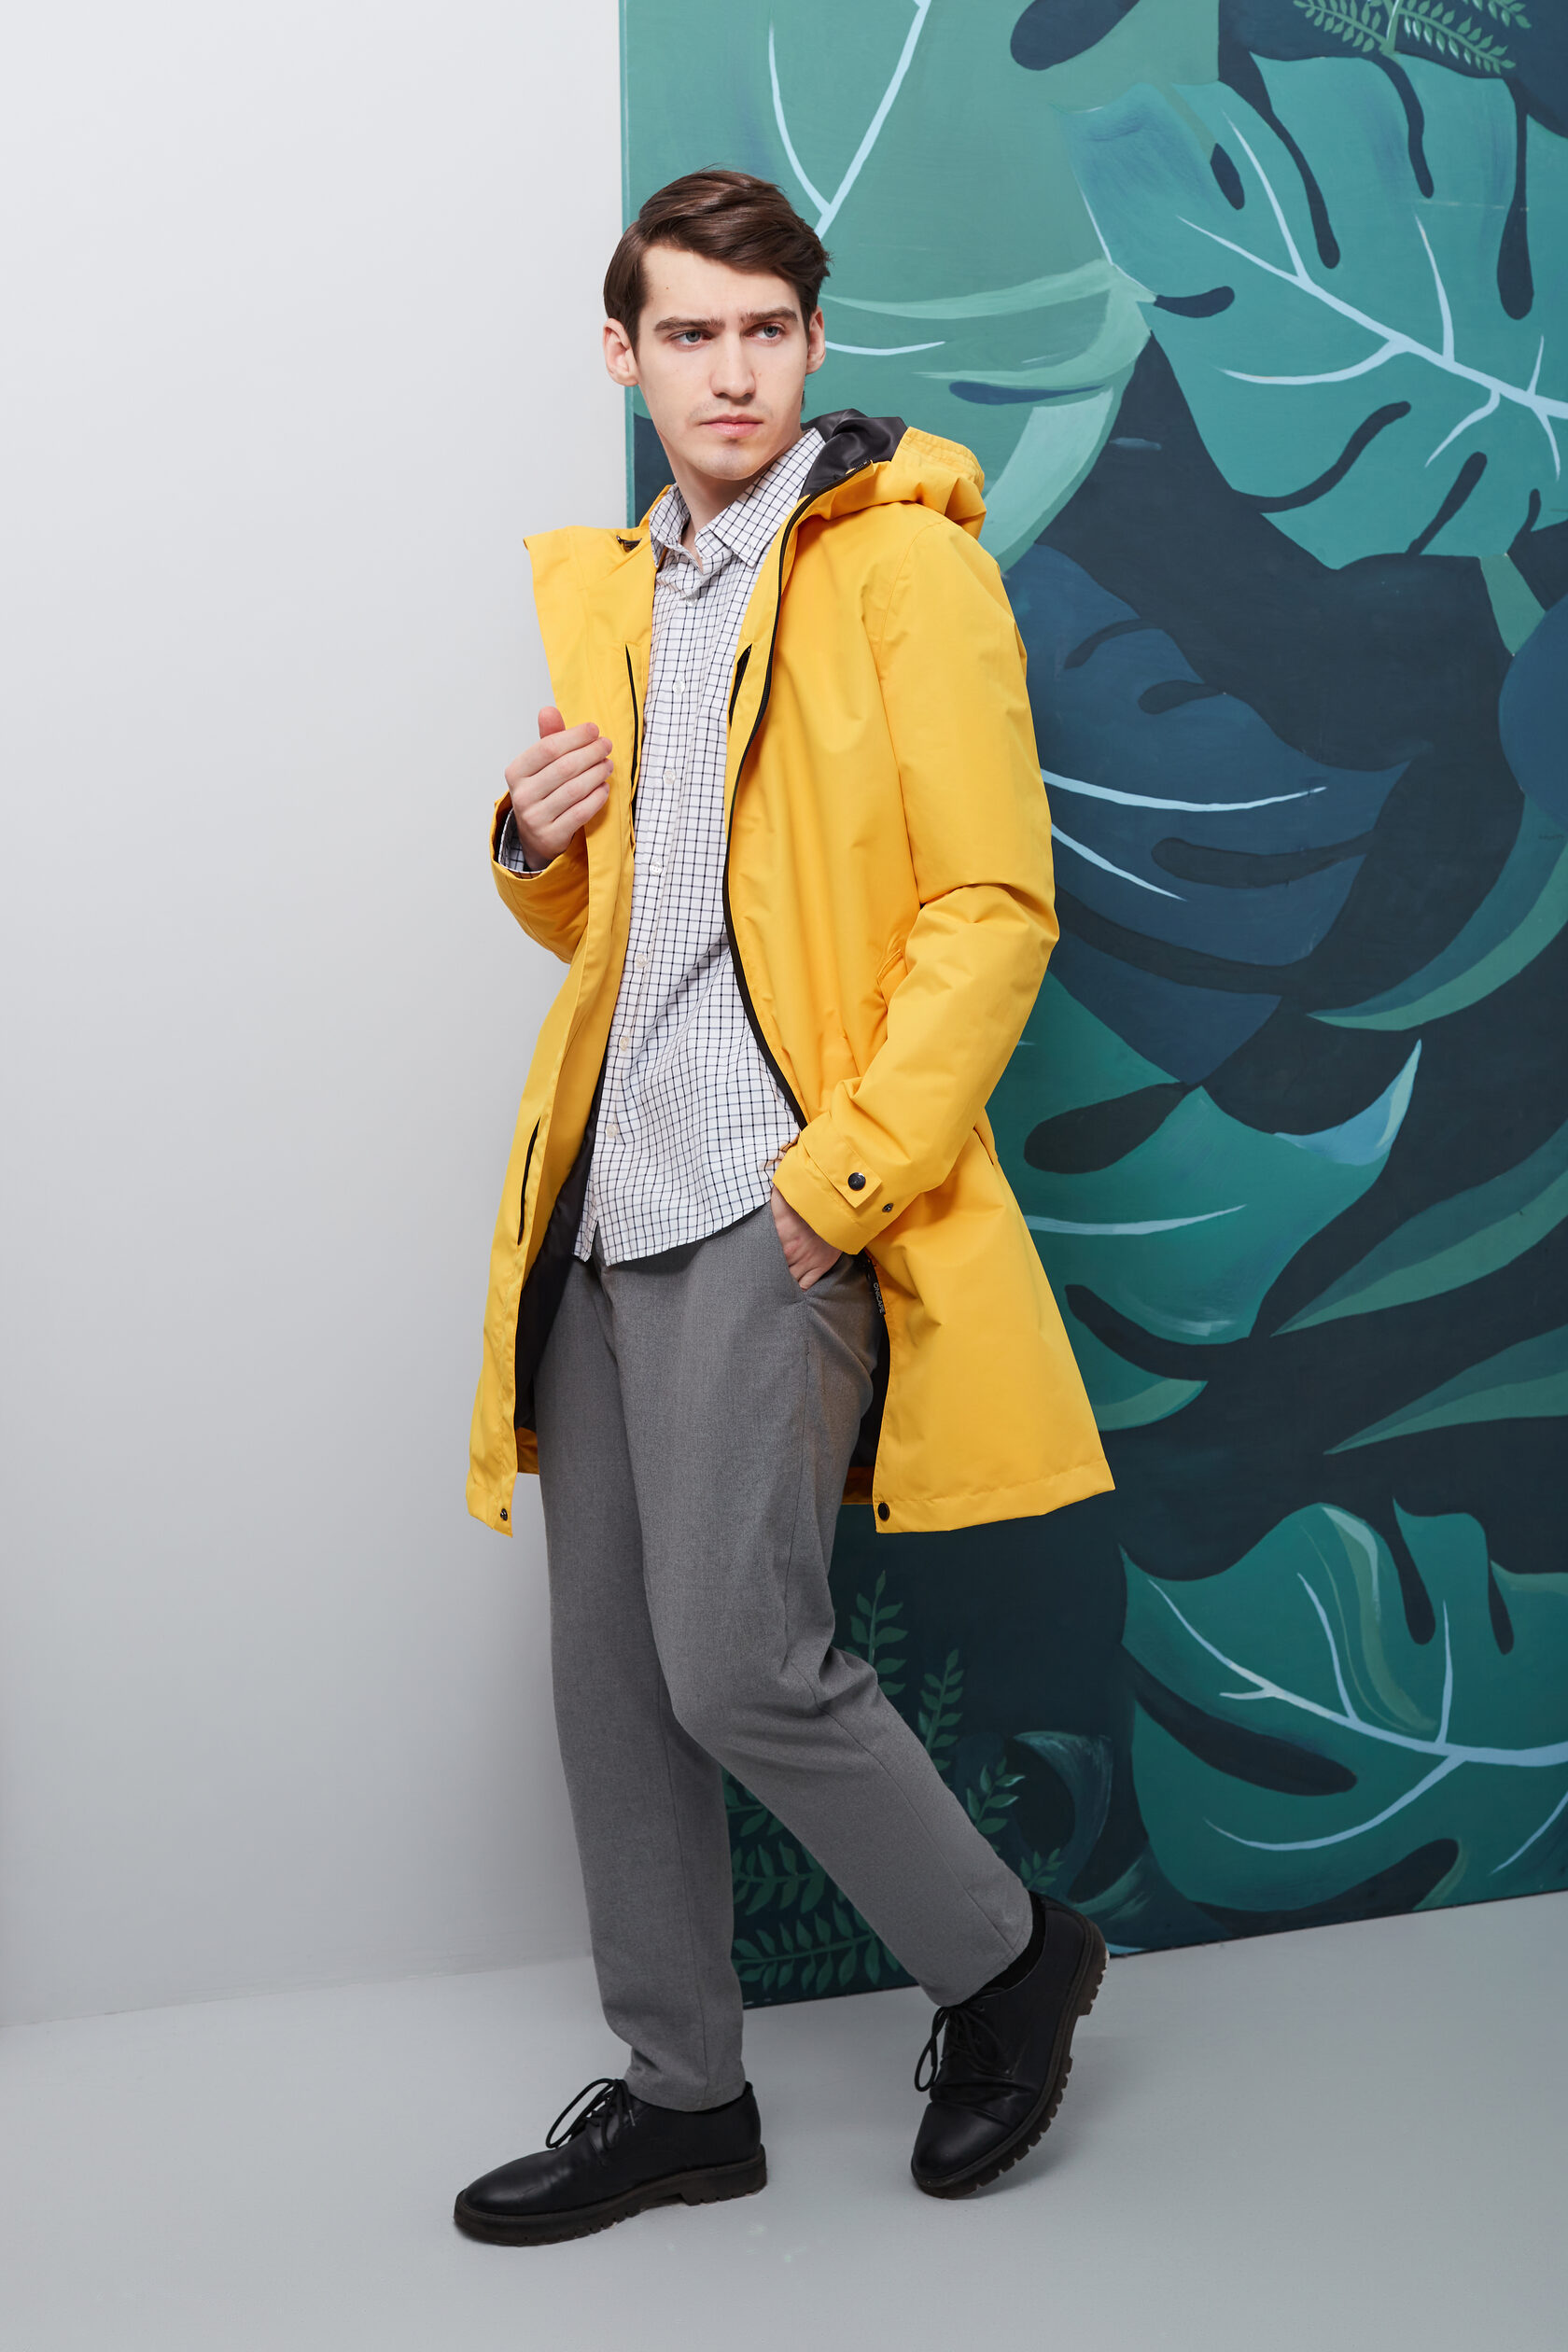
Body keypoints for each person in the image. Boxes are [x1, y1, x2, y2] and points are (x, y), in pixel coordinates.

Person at [455, 169, 1113, 2247]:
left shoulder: (903, 570)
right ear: (625, 353)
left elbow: (992, 907)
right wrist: (530, 845)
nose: (730, 372)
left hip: (773, 1191)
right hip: (604, 1193)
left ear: (813, 346)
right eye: (691, 334)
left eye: (765, 332)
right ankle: (683, 2098)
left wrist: (838, 1186)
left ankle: (1009, 1962)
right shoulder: (622, 589)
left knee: (742, 1659)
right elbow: (635, 923)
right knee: (609, 1684)